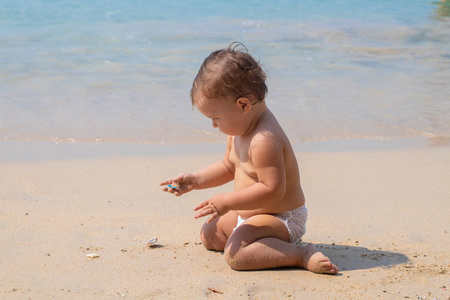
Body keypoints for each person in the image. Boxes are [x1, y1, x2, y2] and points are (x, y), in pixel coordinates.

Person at [159, 43, 338, 274]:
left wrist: (227, 201)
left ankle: (301, 255)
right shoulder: (237, 131)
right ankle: (261, 243)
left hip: (281, 217)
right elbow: (228, 167)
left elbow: (273, 190)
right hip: (251, 212)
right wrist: (195, 180)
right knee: (209, 235)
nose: (213, 125)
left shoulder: (264, 140)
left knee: (237, 256)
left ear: (243, 105)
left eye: (215, 118)